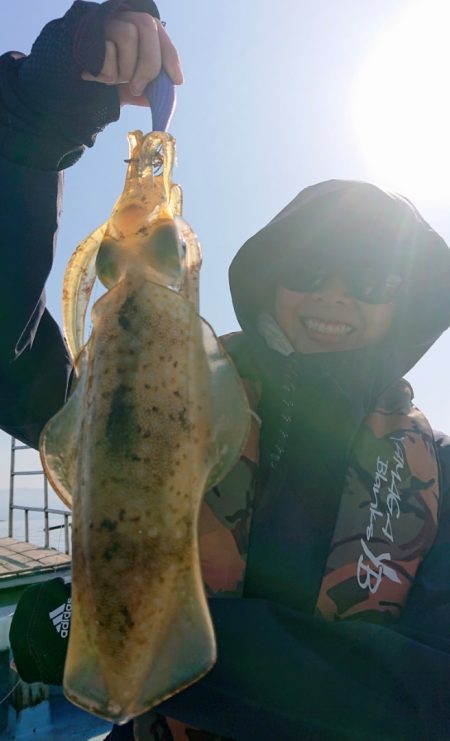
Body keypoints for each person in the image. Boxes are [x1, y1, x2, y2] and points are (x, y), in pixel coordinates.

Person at [3, 2, 450, 740]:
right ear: (271, 278)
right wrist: (33, 123)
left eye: (371, 278)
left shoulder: (437, 472)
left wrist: (138, 635)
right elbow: (7, 346)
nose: (335, 293)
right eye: (309, 266)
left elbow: (429, 696)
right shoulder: (163, 390)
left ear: (403, 302)